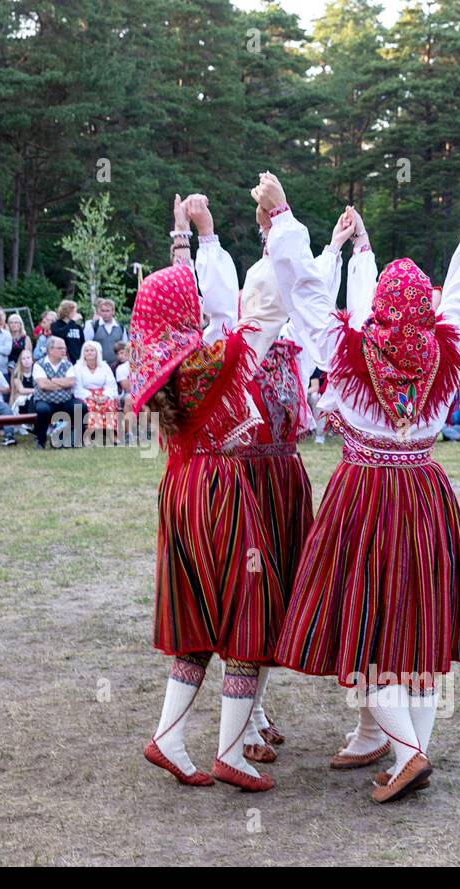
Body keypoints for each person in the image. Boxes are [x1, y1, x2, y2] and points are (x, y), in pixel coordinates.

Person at [266, 175, 460, 803]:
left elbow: (307, 294)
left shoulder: (347, 352)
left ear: (377, 313)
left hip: (364, 497)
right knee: (418, 630)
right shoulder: (446, 352)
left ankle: (411, 753)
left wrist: (285, 219)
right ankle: (405, 754)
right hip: (425, 495)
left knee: (367, 628)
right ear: (423, 308)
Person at [132, 191, 293, 795]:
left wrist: (184, 236)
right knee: (246, 611)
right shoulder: (207, 364)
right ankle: (231, 751)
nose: (202, 303)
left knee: (198, 616)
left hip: (180, 488)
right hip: (219, 492)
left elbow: (176, 299)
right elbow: (264, 314)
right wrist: (275, 226)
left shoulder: (159, 360)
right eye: (194, 299)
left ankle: (169, 737)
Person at [198, 191, 321, 760]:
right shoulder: (243, 343)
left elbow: (314, 291)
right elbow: (226, 301)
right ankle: (241, 728)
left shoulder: (294, 344)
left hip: (284, 476)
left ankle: (256, 711)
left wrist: (341, 246)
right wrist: (203, 236)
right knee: (251, 600)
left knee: (277, 601)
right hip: (252, 478)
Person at [32, 336, 80, 449]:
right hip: (45, 400)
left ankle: (75, 439)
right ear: (50, 349)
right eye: (60, 348)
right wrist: (62, 385)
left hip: (65, 401)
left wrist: (53, 380)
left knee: (80, 407)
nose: (64, 351)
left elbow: (71, 382)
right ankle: (41, 440)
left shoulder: (68, 364)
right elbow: (43, 385)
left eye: (64, 348)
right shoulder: (39, 364)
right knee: (42, 410)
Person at [73, 340, 119, 443]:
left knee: (109, 404)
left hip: (103, 393)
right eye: (87, 350)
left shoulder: (104, 366)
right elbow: (77, 387)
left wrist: (106, 396)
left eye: (92, 350)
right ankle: (88, 435)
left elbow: (111, 384)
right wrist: (91, 396)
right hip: (85, 394)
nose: (89, 352)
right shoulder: (78, 367)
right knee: (91, 405)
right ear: (83, 353)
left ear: (97, 352)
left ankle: (112, 434)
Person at [85, 298, 125, 371]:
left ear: (113, 311)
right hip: (98, 366)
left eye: (107, 311)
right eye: (103, 311)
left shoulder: (120, 327)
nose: (105, 313)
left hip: (117, 366)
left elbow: (125, 348)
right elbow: (86, 345)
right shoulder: (93, 326)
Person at [51, 299, 85, 363]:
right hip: (62, 359)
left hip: (77, 360)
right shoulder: (56, 325)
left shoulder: (77, 327)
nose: (76, 313)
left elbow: (82, 344)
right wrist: (72, 321)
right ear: (67, 312)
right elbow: (60, 334)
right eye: (74, 311)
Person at [9, 350, 37, 420]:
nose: (26, 361)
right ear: (20, 361)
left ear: (32, 360)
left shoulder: (37, 372)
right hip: (22, 400)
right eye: (23, 359)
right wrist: (35, 391)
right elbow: (21, 390)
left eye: (28, 358)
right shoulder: (17, 373)